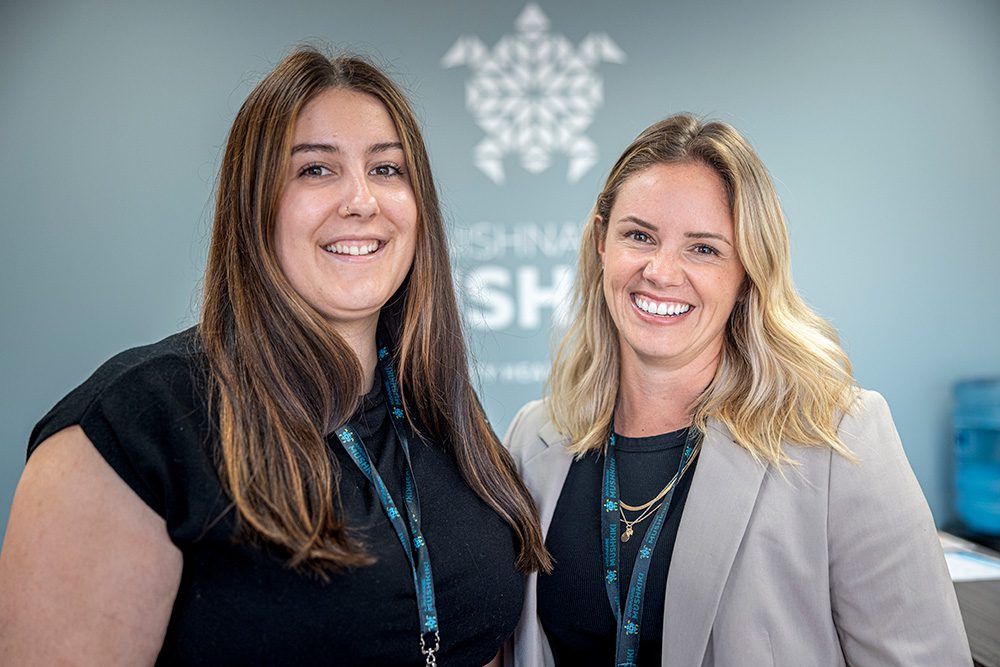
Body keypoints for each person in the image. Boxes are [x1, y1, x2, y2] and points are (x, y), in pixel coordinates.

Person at [0, 47, 549, 666]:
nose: (361, 201)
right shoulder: (136, 425)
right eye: (316, 170)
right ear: (254, 201)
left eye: (387, 170)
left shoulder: (439, 411)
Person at [503, 113, 971, 666]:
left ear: (747, 270)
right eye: (638, 235)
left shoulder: (835, 439)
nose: (661, 270)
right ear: (602, 242)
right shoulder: (535, 436)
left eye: (703, 249)